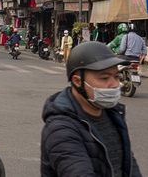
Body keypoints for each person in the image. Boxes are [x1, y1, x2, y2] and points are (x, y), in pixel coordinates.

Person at [41, 41, 141, 177]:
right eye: (104, 78)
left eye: (117, 77)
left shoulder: (113, 113)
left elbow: (128, 164)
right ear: (77, 81)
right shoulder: (61, 129)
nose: (114, 84)